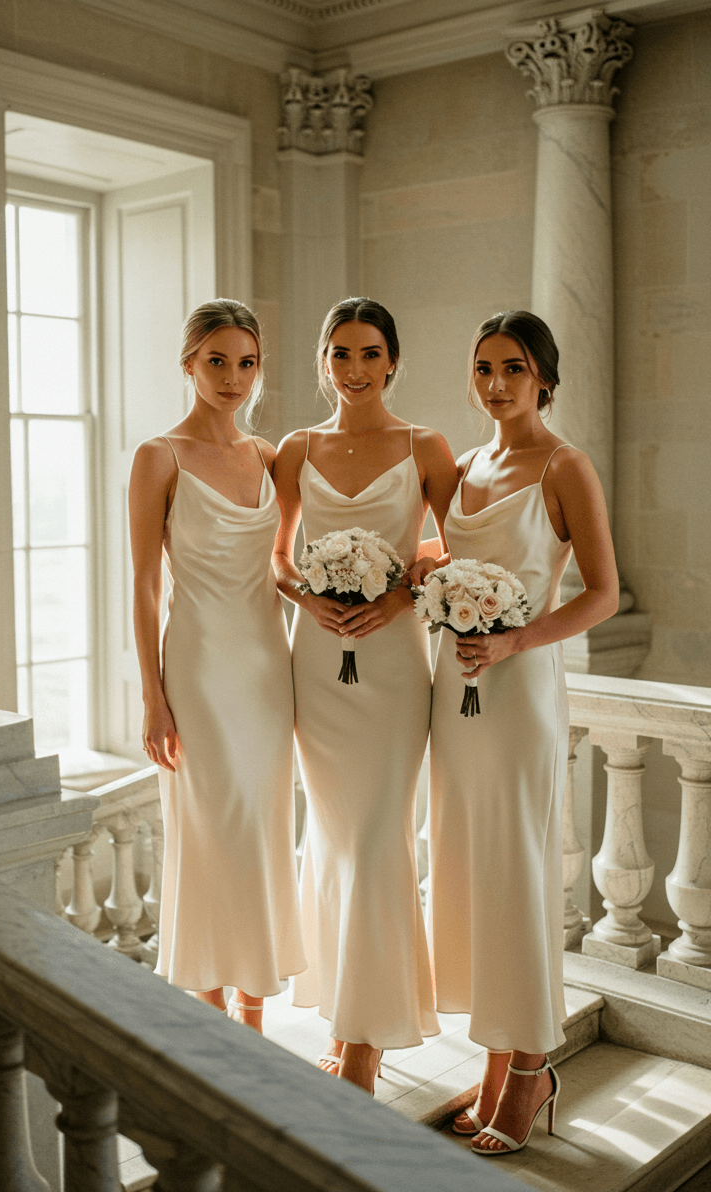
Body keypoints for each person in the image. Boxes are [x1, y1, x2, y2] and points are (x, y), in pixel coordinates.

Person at [419, 310, 618, 1154]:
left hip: (521, 690)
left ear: (544, 378)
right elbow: (438, 554)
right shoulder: (462, 468)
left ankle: (533, 1065)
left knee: (520, 875)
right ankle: (498, 1060)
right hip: (452, 696)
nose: (496, 384)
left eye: (514, 368)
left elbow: (601, 592)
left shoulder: (565, 465)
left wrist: (512, 637)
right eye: (484, 368)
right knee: (471, 874)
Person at [273, 297, 457, 1093]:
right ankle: (346, 1007)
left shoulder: (425, 445)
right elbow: (279, 555)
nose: (355, 370)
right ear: (324, 361)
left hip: (390, 664)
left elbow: (462, 540)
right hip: (316, 659)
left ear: (393, 362)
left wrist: (401, 590)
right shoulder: (295, 448)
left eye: (370, 354)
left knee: (381, 836)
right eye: (341, 354)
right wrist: (304, 597)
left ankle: (366, 1041)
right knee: (337, 836)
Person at [129, 299, 305, 1031]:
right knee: (210, 829)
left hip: (268, 665)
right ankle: (208, 1015)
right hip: (198, 669)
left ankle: (255, 1011)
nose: (234, 378)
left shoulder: (268, 457)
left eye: (247, 363)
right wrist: (152, 698)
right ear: (188, 364)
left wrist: (351, 596)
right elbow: (144, 583)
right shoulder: (159, 456)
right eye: (217, 361)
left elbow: (284, 565)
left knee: (262, 828)